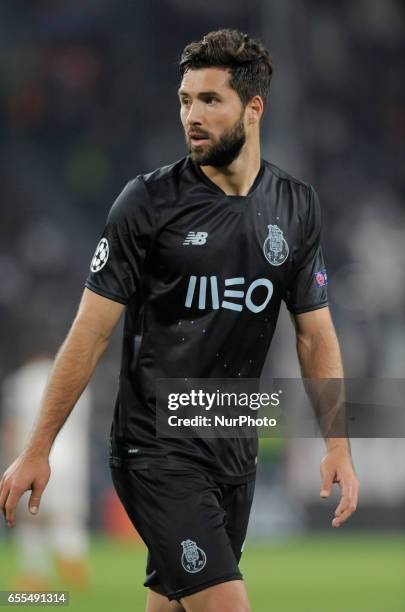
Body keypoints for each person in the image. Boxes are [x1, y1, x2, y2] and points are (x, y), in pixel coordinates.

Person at [0, 29, 359, 612]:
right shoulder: (148, 203)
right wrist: (39, 445)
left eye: (210, 100)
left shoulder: (296, 207)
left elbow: (314, 331)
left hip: (233, 445)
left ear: (254, 106)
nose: (192, 115)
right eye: (185, 101)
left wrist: (338, 444)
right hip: (156, 448)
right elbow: (90, 332)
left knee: (169, 604)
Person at [1, 354, 91, 590]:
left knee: (31, 517)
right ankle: (74, 566)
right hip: (72, 455)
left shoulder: (22, 379)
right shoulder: (77, 376)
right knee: (67, 514)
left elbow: (11, 424)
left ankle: (35, 575)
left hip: (32, 454)